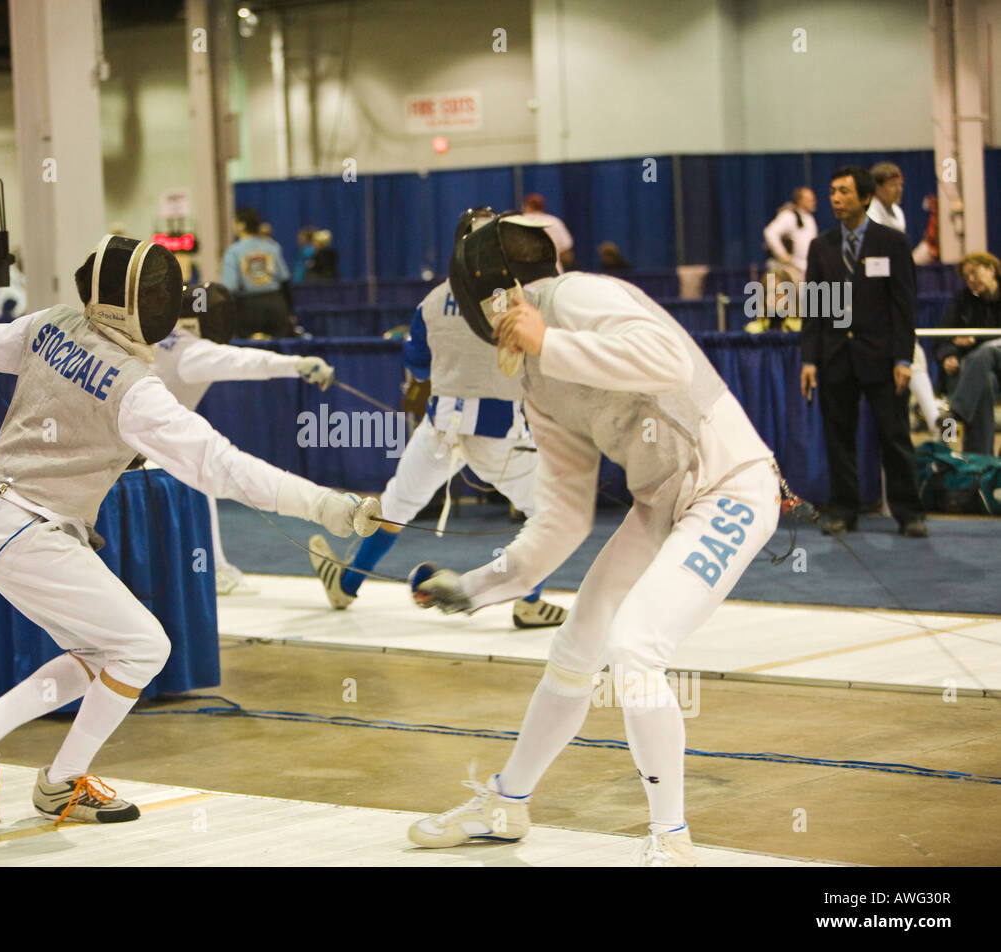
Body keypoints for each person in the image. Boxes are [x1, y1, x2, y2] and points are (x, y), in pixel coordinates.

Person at [0, 234, 379, 827]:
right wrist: (326, 505)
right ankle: (4, 749)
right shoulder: (135, 391)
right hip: (23, 527)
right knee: (145, 646)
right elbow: (224, 468)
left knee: (100, 651)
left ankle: (25, 761)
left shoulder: (53, 325)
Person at [405, 213, 781, 866]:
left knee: (635, 646)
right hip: (661, 505)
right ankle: (507, 803)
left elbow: (667, 357)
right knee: (576, 645)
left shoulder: (582, 296)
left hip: (732, 489)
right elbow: (563, 518)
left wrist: (551, 339)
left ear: (498, 295)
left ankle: (672, 841)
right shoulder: (533, 380)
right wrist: (474, 587)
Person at [307, 208, 567, 630]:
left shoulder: (432, 300)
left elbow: (420, 366)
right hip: (497, 430)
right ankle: (530, 600)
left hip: (441, 427)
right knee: (550, 512)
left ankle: (349, 584)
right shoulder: (524, 298)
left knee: (395, 506)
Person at [156, 281, 336, 594]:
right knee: (202, 476)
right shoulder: (193, 352)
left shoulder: (161, 337)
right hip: (149, 446)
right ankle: (216, 571)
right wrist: (297, 364)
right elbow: (244, 363)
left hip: (135, 442)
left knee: (197, 478)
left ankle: (206, 569)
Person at [800, 166, 926, 537]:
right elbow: (816, 309)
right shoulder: (820, 246)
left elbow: (905, 307)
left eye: (844, 192)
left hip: (885, 360)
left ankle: (909, 513)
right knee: (839, 440)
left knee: (895, 436)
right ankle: (844, 510)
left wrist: (903, 358)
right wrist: (809, 358)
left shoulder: (893, 242)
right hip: (836, 358)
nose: (836, 198)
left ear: (865, 197)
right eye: (832, 191)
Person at [865, 161, 938, 435]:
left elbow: (899, 262)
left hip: (895, 297)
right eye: (894, 185)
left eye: (901, 184)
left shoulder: (897, 213)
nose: (898, 190)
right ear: (878, 187)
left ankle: (934, 423)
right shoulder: (869, 215)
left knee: (911, 353)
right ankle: (934, 422)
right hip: (873, 303)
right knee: (908, 354)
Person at [937, 252, 1001, 455]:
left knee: (986, 352)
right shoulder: (962, 300)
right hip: (975, 374)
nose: (971, 280)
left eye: (974, 273)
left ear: (991, 269)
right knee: (985, 383)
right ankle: (981, 466)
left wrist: (976, 339)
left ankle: (955, 413)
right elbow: (942, 337)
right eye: (966, 277)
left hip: (993, 358)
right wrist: (948, 355)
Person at [221, 207, 295, 337]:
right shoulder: (272, 247)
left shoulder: (233, 251)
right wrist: (290, 311)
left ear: (241, 225)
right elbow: (284, 280)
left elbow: (230, 287)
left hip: (249, 307)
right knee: (280, 351)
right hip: (276, 304)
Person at [762, 187, 818, 283]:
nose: (814, 202)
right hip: (792, 271)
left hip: (806, 270)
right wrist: (783, 256)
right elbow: (770, 233)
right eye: (810, 199)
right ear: (800, 201)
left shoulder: (809, 218)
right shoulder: (789, 216)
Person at [519, 194, 574, 270]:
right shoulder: (555, 222)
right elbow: (567, 256)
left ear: (525, 206)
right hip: (554, 274)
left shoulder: (518, 221)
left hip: (525, 276)